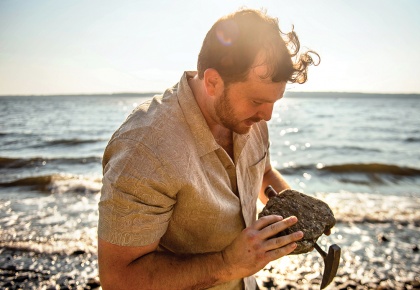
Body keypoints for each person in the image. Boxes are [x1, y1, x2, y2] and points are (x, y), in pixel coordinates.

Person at [98, 8, 320, 290]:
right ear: (213, 81)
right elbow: (118, 280)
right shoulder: (144, 149)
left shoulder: (250, 119)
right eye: (256, 101)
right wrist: (228, 263)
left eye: (273, 102)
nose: (268, 116)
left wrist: (295, 211)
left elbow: (263, 173)